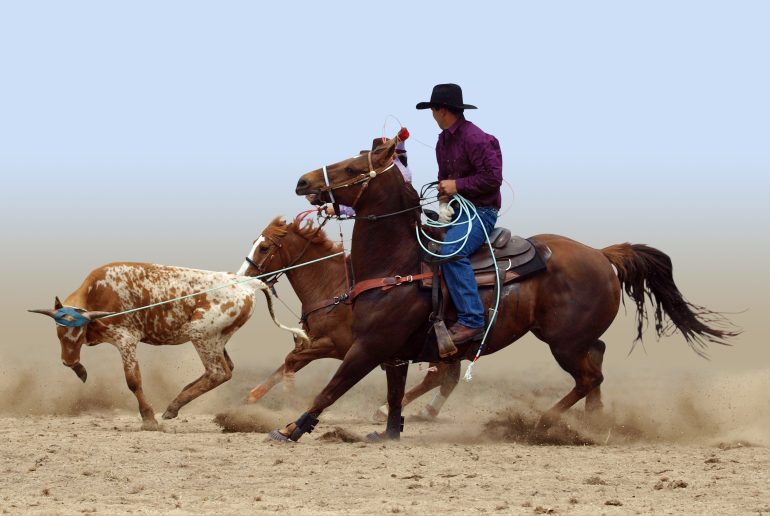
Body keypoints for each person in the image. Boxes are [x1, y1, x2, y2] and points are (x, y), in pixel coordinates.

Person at [416, 83, 503, 345]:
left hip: (482, 211)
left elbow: (493, 178)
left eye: (432, 108)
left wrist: (458, 185)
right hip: (457, 211)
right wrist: (443, 203)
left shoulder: (476, 139)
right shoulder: (442, 141)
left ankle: (472, 320)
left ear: (441, 110)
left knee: (451, 251)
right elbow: (444, 178)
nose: (431, 114)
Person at [324, 136, 412, 217]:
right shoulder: (374, 173)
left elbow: (365, 200)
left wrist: (401, 138)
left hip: (400, 212)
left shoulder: (398, 163)